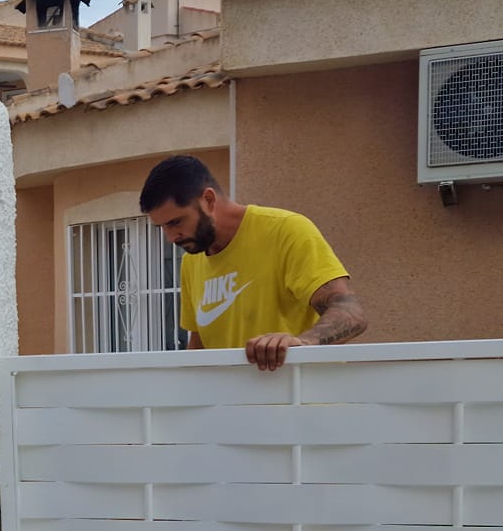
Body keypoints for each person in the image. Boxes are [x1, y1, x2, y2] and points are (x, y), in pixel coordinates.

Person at [139, 155, 367, 371]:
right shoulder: (191, 261)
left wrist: (301, 343)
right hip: (236, 409)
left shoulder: (286, 230)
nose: (171, 237)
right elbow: (199, 347)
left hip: (305, 406)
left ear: (208, 200)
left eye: (176, 222)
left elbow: (350, 313)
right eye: (163, 227)